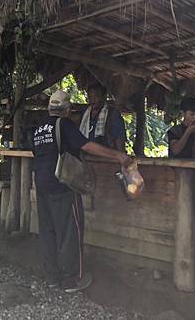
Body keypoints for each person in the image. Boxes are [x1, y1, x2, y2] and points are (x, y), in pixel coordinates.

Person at [32, 90, 131, 293]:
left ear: (50, 108)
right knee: (70, 231)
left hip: (41, 183)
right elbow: (86, 145)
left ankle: (52, 277)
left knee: (48, 230)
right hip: (62, 184)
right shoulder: (64, 124)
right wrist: (119, 156)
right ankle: (71, 280)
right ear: (67, 109)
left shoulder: (38, 128)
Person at [79, 82, 127, 151]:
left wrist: (121, 155)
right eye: (90, 96)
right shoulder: (84, 115)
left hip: (107, 155)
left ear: (104, 97)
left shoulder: (112, 115)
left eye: (96, 96)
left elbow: (119, 138)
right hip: (87, 155)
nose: (93, 99)